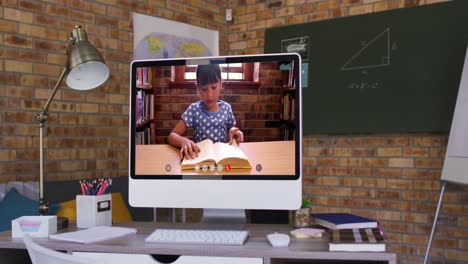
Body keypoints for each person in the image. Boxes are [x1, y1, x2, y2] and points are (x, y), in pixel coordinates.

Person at [168, 64, 244, 159]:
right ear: (198, 88)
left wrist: (233, 131)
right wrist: (184, 141)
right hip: (200, 159)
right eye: (204, 89)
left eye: (214, 87)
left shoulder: (226, 108)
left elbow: (232, 130)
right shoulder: (194, 110)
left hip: (222, 158)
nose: (209, 94)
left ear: (221, 84)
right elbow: (172, 136)